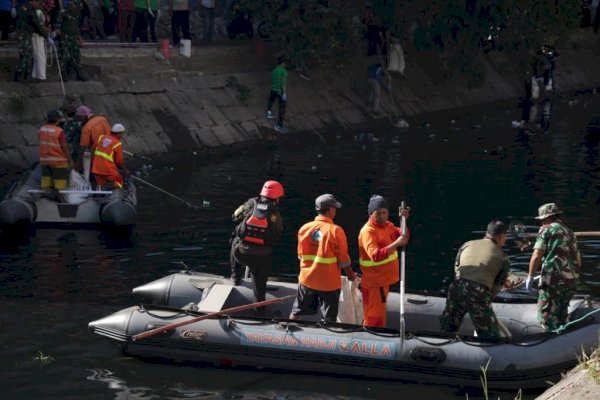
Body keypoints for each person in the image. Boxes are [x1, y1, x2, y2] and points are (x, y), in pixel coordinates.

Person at [440, 220, 513, 339]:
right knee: (490, 335)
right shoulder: (503, 257)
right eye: (505, 237)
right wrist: (485, 301)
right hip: (477, 292)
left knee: (448, 326)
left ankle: (443, 344)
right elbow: (496, 287)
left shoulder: (467, 244)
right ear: (501, 237)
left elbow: (457, 267)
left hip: (456, 286)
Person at [289, 194, 356, 323]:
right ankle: (326, 340)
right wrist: (350, 274)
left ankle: (289, 333)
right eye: (335, 208)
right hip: (328, 283)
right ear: (330, 210)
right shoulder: (336, 231)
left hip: (307, 279)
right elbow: (343, 260)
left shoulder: (304, 228)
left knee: (296, 311)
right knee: (329, 317)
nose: (335, 211)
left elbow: (300, 255)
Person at [229, 180, 284, 314]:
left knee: (235, 239)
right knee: (259, 288)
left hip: (240, 254)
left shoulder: (250, 203)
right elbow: (277, 235)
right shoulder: (275, 214)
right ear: (277, 197)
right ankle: (259, 312)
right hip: (261, 257)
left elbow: (235, 217)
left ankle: (235, 276)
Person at [527, 203, 581, 332]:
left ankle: (548, 343)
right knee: (561, 315)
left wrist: (530, 276)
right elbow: (578, 259)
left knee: (546, 317)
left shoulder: (546, 229)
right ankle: (563, 340)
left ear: (545, 218)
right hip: (571, 281)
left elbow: (537, 254)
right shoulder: (570, 232)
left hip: (553, 281)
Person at [358, 195, 410, 327]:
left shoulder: (388, 226)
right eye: (378, 213)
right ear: (371, 214)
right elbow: (375, 255)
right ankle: (372, 342)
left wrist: (403, 221)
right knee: (374, 318)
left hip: (384, 280)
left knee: (379, 316)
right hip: (375, 283)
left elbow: (403, 237)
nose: (382, 216)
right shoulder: (368, 231)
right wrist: (395, 244)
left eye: (384, 213)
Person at [38, 108, 73, 190]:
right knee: (60, 186)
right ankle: (60, 199)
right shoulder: (59, 131)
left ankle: (45, 200)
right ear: (58, 119)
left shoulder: (41, 130)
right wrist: (70, 161)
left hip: (45, 161)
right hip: (59, 163)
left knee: (46, 185)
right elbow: (65, 148)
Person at [13, 0, 47, 82]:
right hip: (23, 34)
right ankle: (20, 74)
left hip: (26, 33)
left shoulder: (27, 7)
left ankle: (25, 75)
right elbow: (36, 23)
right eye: (38, 3)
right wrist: (45, 34)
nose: (39, 5)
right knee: (25, 55)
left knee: (27, 55)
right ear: (34, 1)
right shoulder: (30, 9)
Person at [91, 123, 131, 189]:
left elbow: (93, 148)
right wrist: (126, 170)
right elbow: (119, 162)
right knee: (119, 181)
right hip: (107, 170)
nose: (122, 136)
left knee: (100, 184)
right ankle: (111, 189)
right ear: (118, 133)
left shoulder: (102, 137)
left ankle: (101, 190)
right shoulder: (117, 143)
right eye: (122, 134)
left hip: (96, 169)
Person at [55, 0, 87, 81]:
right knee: (64, 55)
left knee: (76, 54)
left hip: (74, 36)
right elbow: (58, 24)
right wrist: (58, 32)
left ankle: (79, 73)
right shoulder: (63, 12)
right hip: (64, 36)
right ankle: (63, 74)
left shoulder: (77, 15)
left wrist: (79, 37)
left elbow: (76, 26)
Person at [76, 105, 111, 171]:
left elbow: (83, 147)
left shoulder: (86, 128)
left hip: (98, 154)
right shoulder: (102, 119)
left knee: (97, 174)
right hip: (110, 150)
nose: (79, 120)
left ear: (84, 115)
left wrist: (78, 163)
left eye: (80, 117)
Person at [266, 56, 288, 133]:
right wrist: (284, 93)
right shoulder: (284, 71)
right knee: (282, 108)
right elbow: (283, 84)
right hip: (279, 91)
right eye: (285, 63)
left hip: (273, 89)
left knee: (271, 100)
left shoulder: (274, 70)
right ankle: (279, 125)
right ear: (283, 63)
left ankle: (268, 112)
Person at [30, 0, 47, 80]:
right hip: (37, 35)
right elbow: (39, 25)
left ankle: (35, 74)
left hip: (37, 34)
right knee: (40, 55)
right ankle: (41, 75)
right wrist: (45, 32)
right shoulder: (37, 12)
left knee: (37, 55)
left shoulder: (38, 11)